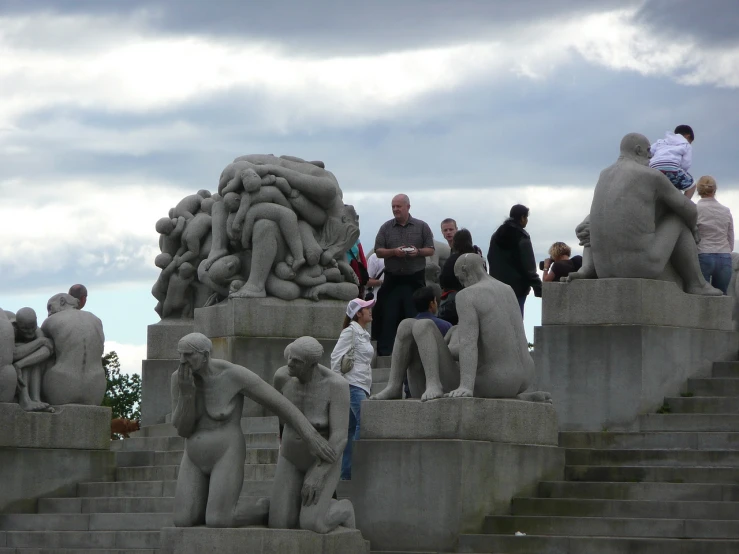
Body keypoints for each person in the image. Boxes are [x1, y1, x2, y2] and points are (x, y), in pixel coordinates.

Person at [171, 333, 338, 528]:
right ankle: (268, 507)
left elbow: (281, 404)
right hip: (192, 454)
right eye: (180, 355)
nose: (183, 361)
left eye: (189, 355)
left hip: (225, 451)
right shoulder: (178, 379)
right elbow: (183, 430)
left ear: (206, 355)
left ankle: (263, 508)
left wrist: (311, 436)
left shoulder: (234, 375)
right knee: (183, 520)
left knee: (219, 520)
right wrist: (186, 395)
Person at [373, 254, 550, 403]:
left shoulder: (468, 295)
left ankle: (423, 385)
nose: (462, 284)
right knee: (407, 325)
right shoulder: (507, 290)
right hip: (522, 378)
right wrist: (445, 351)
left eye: (460, 278)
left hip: (492, 381)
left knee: (420, 325)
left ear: (465, 271)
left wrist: (466, 386)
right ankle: (394, 387)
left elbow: (468, 343)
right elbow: (495, 343)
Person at [568, 133, 721, 296]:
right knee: (678, 217)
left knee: (594, 218)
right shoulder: (651, 176)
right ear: (638, 150)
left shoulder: (604, 175)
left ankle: (587, 268)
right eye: (648, 150)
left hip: (603, 269)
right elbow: (689, 209)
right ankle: (696, 284)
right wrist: (693, 228)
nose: (651, 155)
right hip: (641, 266)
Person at [271, 337, 356, 532]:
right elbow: (281, 415)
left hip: (322, 459)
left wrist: (319, 473)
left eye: (296, 361)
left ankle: (343, 509)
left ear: (312, 364)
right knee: (279, 523)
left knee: (311, 524)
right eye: (289, 357)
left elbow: (340, 436)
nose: (289, 364)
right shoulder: (282, 378)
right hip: (290, 457)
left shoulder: (336, 386)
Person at [373, 194, 435, 356]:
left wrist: (418, 252)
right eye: (393, 206)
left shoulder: (422, 226)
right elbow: (378, 251)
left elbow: (431, 249)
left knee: (415, 314)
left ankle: (416, 351)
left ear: (408, 207)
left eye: (398, 206)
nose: (395, 209)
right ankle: (386, 351)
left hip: (415, 278)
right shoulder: (386, 227)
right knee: (388, 315)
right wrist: (394, 252)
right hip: (393, 278)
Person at [330, 298, 375, 480]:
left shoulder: (362, 332)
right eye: (366, 308)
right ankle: (357, 466)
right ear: (358, 313)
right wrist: (339, 384)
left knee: (350, 428)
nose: (370, 310)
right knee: (363, 422)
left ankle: (347, 473)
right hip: (353, 384)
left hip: (361, 384)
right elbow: (335, 358)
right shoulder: (350, 332)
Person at [487, 205, 542, 316]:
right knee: (516, 322)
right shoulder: (522, 236)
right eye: (526, 218)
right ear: (522, 218)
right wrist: (538, 287)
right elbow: (528, 266)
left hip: (497, 287)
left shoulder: (496, 235)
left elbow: (490, 257)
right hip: (518, 288)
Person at [696, 176, 734, 294]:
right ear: (715, 190)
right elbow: (730, 236)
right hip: (724, 256)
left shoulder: (695, 209)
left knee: (702, 297)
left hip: (703, 254)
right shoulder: (725, 210)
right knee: (722, 297)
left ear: (698, 190)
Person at [438, 229, 477, 324]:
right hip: (469, 301)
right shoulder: (474, 258)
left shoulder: (451, 259)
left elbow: (443, 280)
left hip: (449, 302)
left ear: (455, 243)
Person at [650, 125, 696, 198]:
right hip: (672, 168)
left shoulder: (661, 141)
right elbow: (685, 164)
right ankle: (684, 206)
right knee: (692, 185)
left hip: (654, 168)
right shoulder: (686, 144)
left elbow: (650, 152)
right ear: (688, 136)